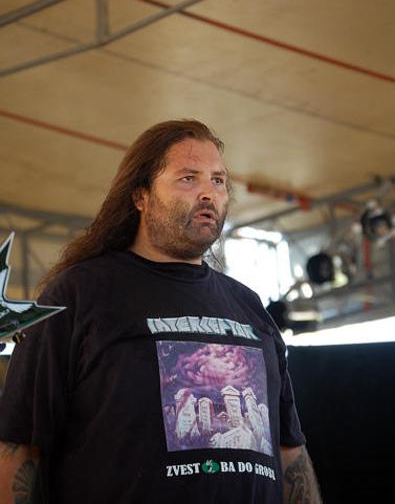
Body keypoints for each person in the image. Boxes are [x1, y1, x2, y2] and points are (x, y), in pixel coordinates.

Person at [0, 119, 322, 503]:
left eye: (218, 180)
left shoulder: (249, 307)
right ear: (141, 195)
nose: (208, 193)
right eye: (188, 178)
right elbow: (18, 447)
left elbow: (290, 454)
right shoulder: (79, 294)